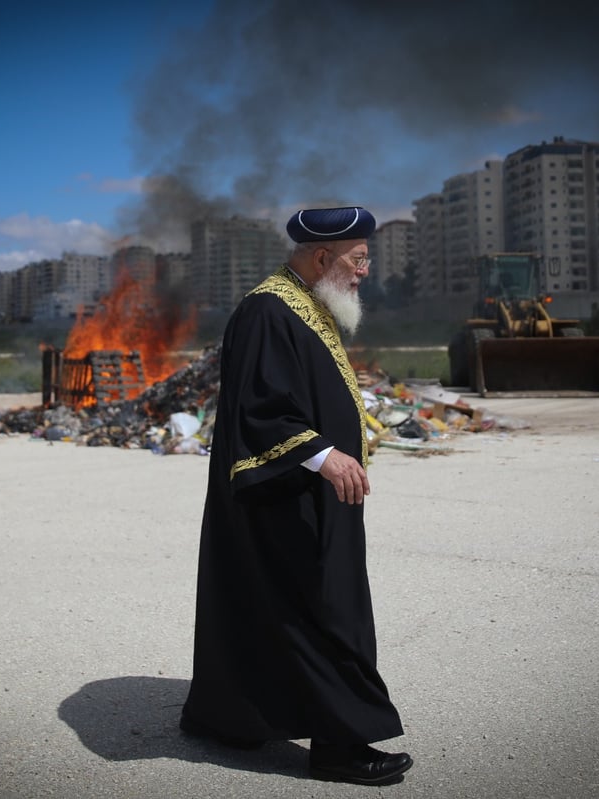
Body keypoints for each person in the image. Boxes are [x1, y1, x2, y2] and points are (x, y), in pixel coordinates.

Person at [180, 206, 412, 786]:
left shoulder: (306, 303)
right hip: (288, 491)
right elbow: (259, 407)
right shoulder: (268, 308)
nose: (364, 273)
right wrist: (325, 455)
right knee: (322, 610)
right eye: (358, 260)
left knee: (269, 610)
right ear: (321, 257)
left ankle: (232, 717)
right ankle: (340, 745)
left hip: (308, 490)